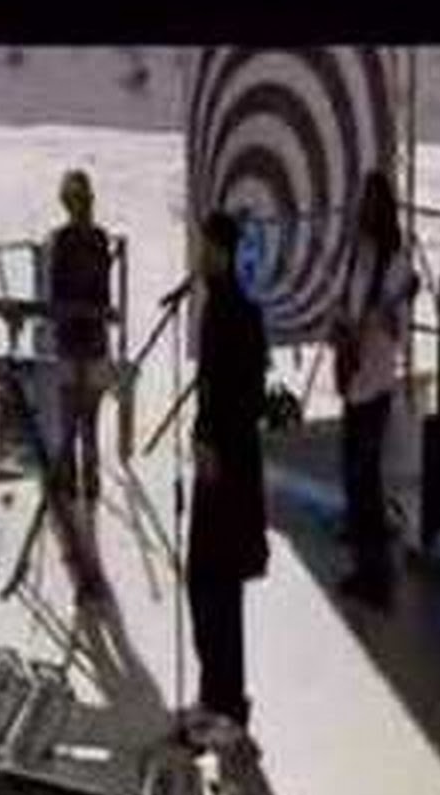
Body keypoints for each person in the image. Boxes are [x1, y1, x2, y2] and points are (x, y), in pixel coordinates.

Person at [186, 211, 270, 732]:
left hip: (225, 462)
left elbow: (233, 393)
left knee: (212, 580)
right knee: (213, 582)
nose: (199, 257)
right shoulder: (224, 307)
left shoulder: (229, 312)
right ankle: (217, 692)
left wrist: (212, 441)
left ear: (219, 250)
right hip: (224, 456)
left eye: (205, 247)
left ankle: (225, 698)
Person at [328, 170, 417, 610]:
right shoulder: (355, 257)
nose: (363, 212)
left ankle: (376, 577)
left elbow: (399, 326)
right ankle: (364, 568)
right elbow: (343, 304)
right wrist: (341, 327)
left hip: (376, 379)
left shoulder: (395, 264)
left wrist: (383, 318)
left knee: (365, 480)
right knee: (355, 478)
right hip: (354, 379)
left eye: (370, 204)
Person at [47, 170, 114, 509]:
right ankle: (84, 483)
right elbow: (102, 292)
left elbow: (57, 293)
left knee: (74, 418)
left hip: (75, 337)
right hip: (87, 336)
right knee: (85, 419)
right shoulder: (97, 239)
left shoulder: (65, 240)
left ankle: (75, 483)